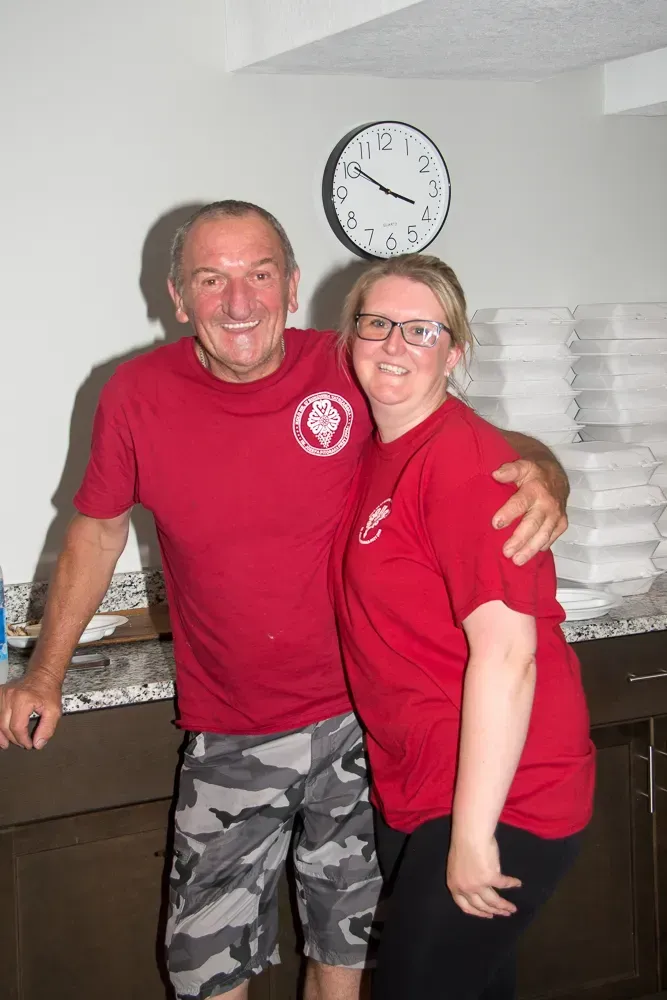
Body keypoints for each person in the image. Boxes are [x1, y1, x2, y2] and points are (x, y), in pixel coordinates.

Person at [0, 202, 570, 1000]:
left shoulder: (349, 363)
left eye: (259, 275)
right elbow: (96, 534)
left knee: (347, 944)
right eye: (211, 279)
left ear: (292, 286)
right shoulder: (134, 394)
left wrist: (548, 476)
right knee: (204, 964)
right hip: (231, 725)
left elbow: (470, 441)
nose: (239, 301)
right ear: (178, 297)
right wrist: (44, 673)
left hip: (359, 725)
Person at [330, 253, 595, 1000]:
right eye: (377, 323)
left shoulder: (461, 460)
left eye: (421, 330)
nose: (393, 344)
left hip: (504, 793)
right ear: (350, 337)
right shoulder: (380, 452)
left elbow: (509, 656)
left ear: (454, 352)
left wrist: (474, 834)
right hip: (422, 782)